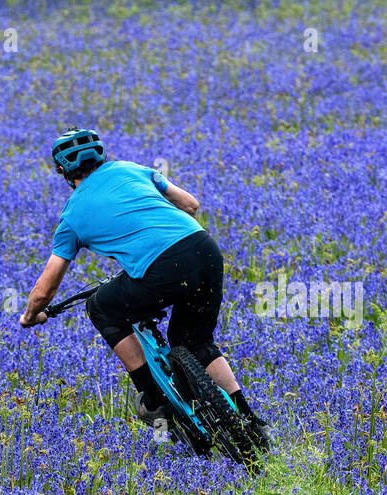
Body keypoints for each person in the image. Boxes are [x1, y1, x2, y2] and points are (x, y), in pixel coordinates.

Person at [19, 128, 271, 448]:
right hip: (205, 251)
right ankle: (252, 423)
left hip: (161, 269)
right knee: (195, 341)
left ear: (62, 171)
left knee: (102, 307)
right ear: (101, 155)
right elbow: (191, 205)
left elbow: (46, 289)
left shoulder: (71, 217)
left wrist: (31, 314)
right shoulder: (131, 169)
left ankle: (155, 400)